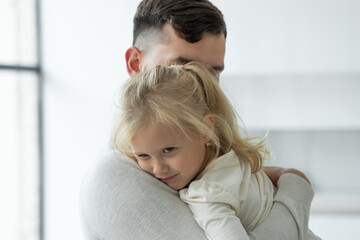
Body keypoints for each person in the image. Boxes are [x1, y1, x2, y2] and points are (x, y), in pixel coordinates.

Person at [80, 0, 315, 239]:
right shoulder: (116, 179)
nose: (201, 87)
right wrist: (296, 190)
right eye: (184, 69)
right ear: (135, 64)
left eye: (212, 73)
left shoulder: (204, 161)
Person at [111, 62, 320, 240]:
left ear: (205, 130)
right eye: (143, 156)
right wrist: (294, 182)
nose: (157, 168)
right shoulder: (224, 170)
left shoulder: (209, 192)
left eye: (168, 150)